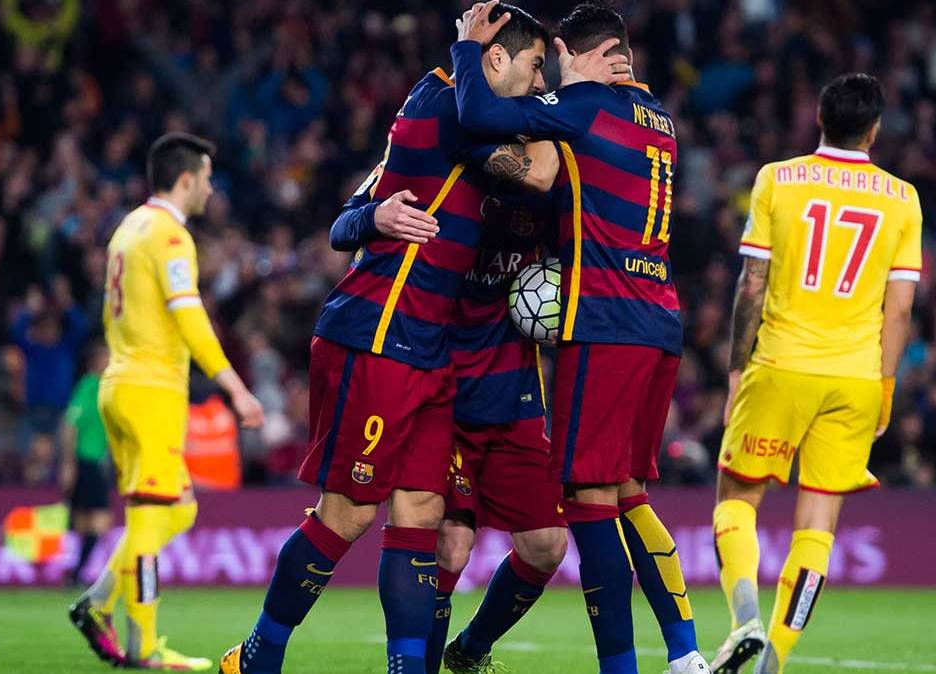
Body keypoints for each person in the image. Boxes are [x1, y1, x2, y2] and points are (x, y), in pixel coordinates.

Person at [219, 6, 584, 673]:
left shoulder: (463, 113)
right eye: (536, 66)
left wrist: (371, 215)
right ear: (493, 58)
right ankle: (258, 655)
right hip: (377, 334)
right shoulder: (446, 102)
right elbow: (533, 173)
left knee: (421, 509)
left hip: (429, 350)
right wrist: (371, 217)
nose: (541, 84)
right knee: (347, 514)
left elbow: (350, 214)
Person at [450, 3, 708, 673]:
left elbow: (479, 114)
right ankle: (685, 654)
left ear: (568, 51)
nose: (547, 77)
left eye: (552, 61)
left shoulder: (585, 103)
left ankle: (620, 667)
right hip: (660, 322)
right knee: (629, 493)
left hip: (605, 323)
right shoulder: (659, 118)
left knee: (588, 500)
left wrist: (465, 51)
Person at [711, 73, 920, 674]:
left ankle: (744, 621)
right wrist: (885, 387)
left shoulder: (777, 179)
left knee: (738, 499)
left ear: (820, 119)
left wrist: (735, 371)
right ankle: (774, 659)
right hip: (855, 378)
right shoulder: (903, 198)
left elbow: (751, 283)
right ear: (873, 130)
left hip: (781, 364)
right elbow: (899, 309)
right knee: (819, 525)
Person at [331, 186, 567, 674]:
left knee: (546, 546)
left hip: (514, 400)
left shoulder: (543, 186)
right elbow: (342, 226)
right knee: (451, 543)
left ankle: (469, 649)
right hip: (442, 393)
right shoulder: (431, 174)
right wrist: (376, 216)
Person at [67, 132, 264, 671]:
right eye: (206, 179)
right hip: (150, 390)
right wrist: (234, 386)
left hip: (120, 381)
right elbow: (189, 316)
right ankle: (143, 646)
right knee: (152, 517)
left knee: (176, 509)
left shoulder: (128, 228)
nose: (211, 189)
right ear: (185, 179)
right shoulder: (170, 235)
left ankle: (97, 603)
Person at [60, 341, 113, 586]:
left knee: (85, 520)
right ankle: (75, 572)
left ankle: (74, 573)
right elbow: (70, 425)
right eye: (106, 358)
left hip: (97, 462)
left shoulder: (105, 388)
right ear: (94, 363)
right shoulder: (89, 386)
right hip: (86, 461)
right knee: (98, 520)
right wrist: (68, 464)